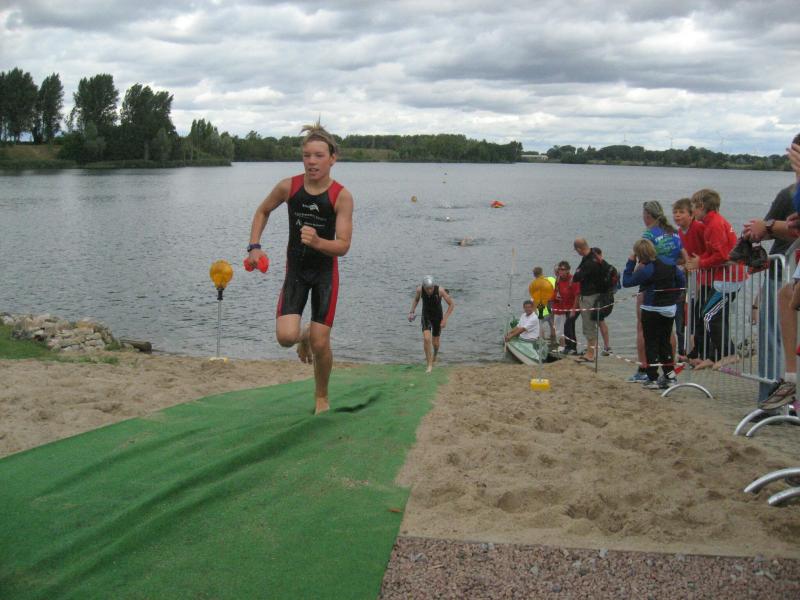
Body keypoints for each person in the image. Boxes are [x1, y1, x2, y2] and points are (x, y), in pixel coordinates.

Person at [246, 121, 354, 415]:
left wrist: (318, 242)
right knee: (285, 338)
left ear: (333, 158)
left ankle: (321, 396)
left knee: (321, 342)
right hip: (296, 272)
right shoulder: (289, 187)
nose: (311, 162)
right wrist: (254, 246)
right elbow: (262, 210)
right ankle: (302, 335)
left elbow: (343, 245)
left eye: (319, 155)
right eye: (307, 155)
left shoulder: (341, 196)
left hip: (324, 275)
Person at [742, 132, 800, 403]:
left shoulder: (790, 193)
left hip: (784, 269)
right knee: (784, 310)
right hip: (785, 272)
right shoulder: (790, 193)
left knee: (773, 334)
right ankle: (784, 387)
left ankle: (773, 393)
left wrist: (765, 227)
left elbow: (769, 230)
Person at [685, 189, 743, 369]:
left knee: (709, 315)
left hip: (729, 279)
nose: (692, 211)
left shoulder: (714, 225)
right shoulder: (712, 223)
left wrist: (700, 263)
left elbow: (723, 255)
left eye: (693, 207)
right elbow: (714, 253)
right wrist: (699, 260)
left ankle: (730, 353)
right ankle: (713, 355)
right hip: (722, 278)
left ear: (701, 206)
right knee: (712, 315)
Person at [628, 201, 684, 382]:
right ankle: (669, 369)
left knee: (643, 327)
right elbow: (682, 257)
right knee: (668, 331)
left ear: (647, 215)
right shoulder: (674, 232)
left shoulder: (649, 234)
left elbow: (643, 261)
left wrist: (635, 271)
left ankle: (644, 368)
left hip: (651, 284)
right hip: (671, 282)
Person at [622, 239, 686, 390]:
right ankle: (670, 376)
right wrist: (675, 296)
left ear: (639, 255)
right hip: (669, 309)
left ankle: (652, 378)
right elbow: (681, 279)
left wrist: (630, 262)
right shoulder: (669, 263)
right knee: (665, 342)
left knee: (651, 342)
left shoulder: (647, 270)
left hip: (652, 309)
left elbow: (627, 281)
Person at [672, 197, 705, 361]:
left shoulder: (699, 227)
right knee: (686, 316)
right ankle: (686, 351)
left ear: (691, 214)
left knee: (699, 314)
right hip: (688, 278)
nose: (677, 215)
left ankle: (701, 352)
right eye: (675, 212)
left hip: (704, 275)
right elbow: (682, 257)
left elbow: (707, 249)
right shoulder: (678, 233)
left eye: (681, 212)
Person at [408, 276, 455, 373]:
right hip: (426, 316)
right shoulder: (420, 290)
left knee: (435, 343)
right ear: (424, 287)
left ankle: (435, 355)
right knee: (426, 338)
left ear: (433, 286)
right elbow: (416, 299)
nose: (429, 290)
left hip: (437, 317)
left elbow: (451, 304)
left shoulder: (440, 291)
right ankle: (429, 364)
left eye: (431, 288)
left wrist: (445, 319)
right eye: (427, 289)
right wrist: (412, 311)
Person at [571, 238, 605, 362]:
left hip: (589, 296)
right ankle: (591, 351)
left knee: (588, 325)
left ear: (579, 249)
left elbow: (576, 276)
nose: (577, 253)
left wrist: (577, 274)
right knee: (591, 324)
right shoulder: (594, 255)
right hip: (596, 294)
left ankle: (590, 354)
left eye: (576, 251)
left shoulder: (589, 262)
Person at [591, 247, 617, 356]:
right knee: (600, 321)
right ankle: (605, 346)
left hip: (603, 297)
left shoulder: (606, 268)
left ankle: (596, 348)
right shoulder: (611, 268)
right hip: (608, 296)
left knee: (597, 320)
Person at [552, 260, 580, 354]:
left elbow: (577, 295)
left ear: (568, 270)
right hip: (565, 307)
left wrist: (573, 309)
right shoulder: (558, 280)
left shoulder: (573, 280)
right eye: (560, 269)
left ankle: (569, 347)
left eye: (563, 269)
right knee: (570, 327)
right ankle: (572, 349)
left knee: (567, 326)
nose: (561, 271)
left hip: (575, 306)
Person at [529, 267, 555, 340]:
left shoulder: (533, 284)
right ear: (542, 272)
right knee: (552, 324)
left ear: (534, 274)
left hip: (541, 306)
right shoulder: (549, 280)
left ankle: (542, 341)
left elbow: (534, 298)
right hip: (551, 306)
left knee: (539, 324)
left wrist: (533, 310)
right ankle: (553, 340)